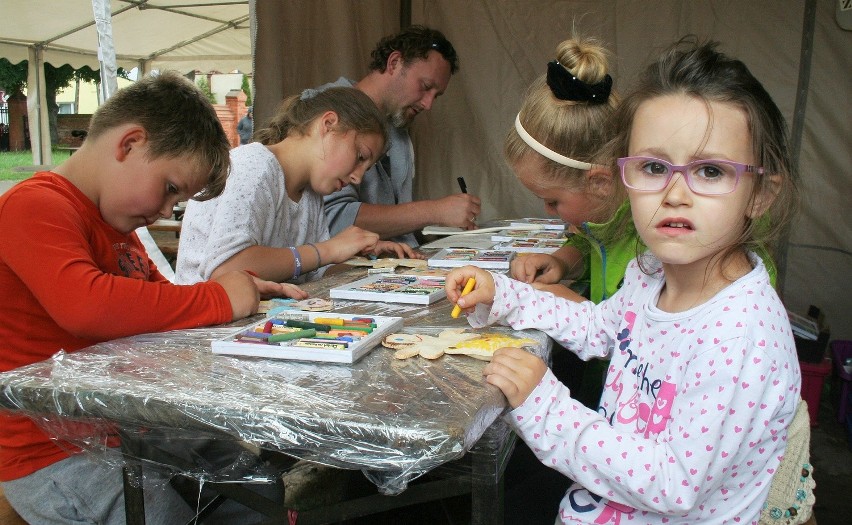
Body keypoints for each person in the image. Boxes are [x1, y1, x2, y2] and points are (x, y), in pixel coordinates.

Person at [446, 37, 806, 523]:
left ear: (760, 194)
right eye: (655, 167)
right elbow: (599, 328)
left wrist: (547, 406)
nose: (675, 193)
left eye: (711, 171)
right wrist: (504, 293)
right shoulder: (649, 273)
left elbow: (672, 483)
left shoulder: (742, 335)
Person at [0, 71, 289, 524]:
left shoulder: (119, 230)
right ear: (129, 143)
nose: (162, 212)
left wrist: (235, 296)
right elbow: (87, 306)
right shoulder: (32, 206)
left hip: (131, 426)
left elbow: (160, 307)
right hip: (52, 452)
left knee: (255, 481)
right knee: (161, 517)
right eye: (171, 189)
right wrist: (217, 299)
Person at [175, 86, 420, 285]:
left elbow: (306, 272)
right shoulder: (253, 166)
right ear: (328, 124)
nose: (357, 178)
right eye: (359, 157)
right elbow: (227, 269)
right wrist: (327, 250)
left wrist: (366, 261)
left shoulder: (311, 194)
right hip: (205, 333)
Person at [313, 25, 481, 246]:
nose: (428, 104)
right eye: (425, 86)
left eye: (436, 96)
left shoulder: (397, 125)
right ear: (394, 63)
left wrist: (436, 229)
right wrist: (433, 212)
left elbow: (398, 224)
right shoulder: (327, 114)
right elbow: (332, 219)